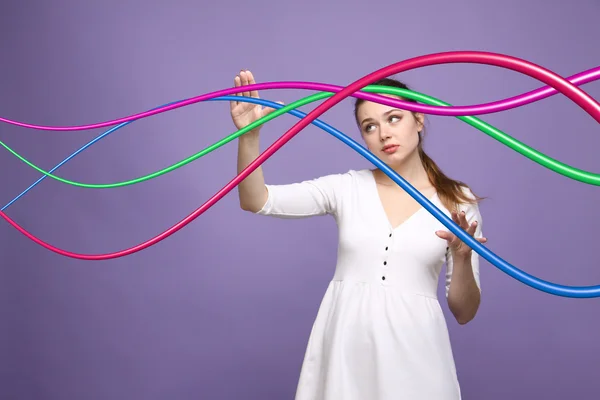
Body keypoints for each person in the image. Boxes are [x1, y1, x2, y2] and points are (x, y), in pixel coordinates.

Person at [231, 69, 488, 400]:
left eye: (393, 118)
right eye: (370, 126)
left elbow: (464, 312)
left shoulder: (458, 202)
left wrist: (464, 256)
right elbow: (256, 200)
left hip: (417, 358)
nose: (383, 133)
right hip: (345, 354)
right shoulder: (347, 187)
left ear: (419, 119)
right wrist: (249, 136)